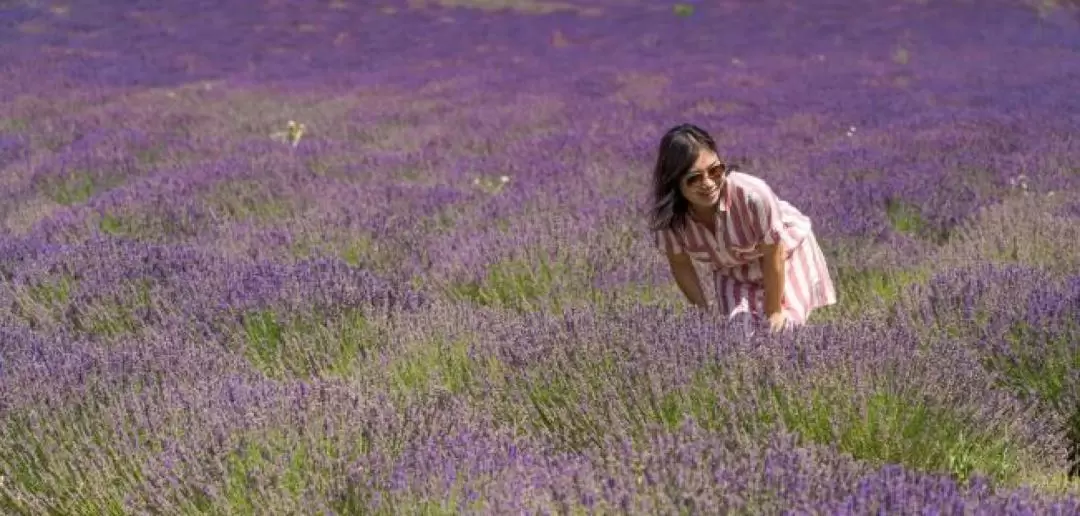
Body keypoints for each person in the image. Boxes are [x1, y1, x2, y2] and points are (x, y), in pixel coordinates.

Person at [649, 123, 836, 334]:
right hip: (732, 269)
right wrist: (703, 314)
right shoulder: (668, 222)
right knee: (739, 333)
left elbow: (775, 252)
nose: (708, 183)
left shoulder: (752, 196)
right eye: (694, 178)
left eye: (715, 170)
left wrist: (773, 310)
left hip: (786, 253)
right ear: (674, 182)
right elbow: (681, 265)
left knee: (784, 329)